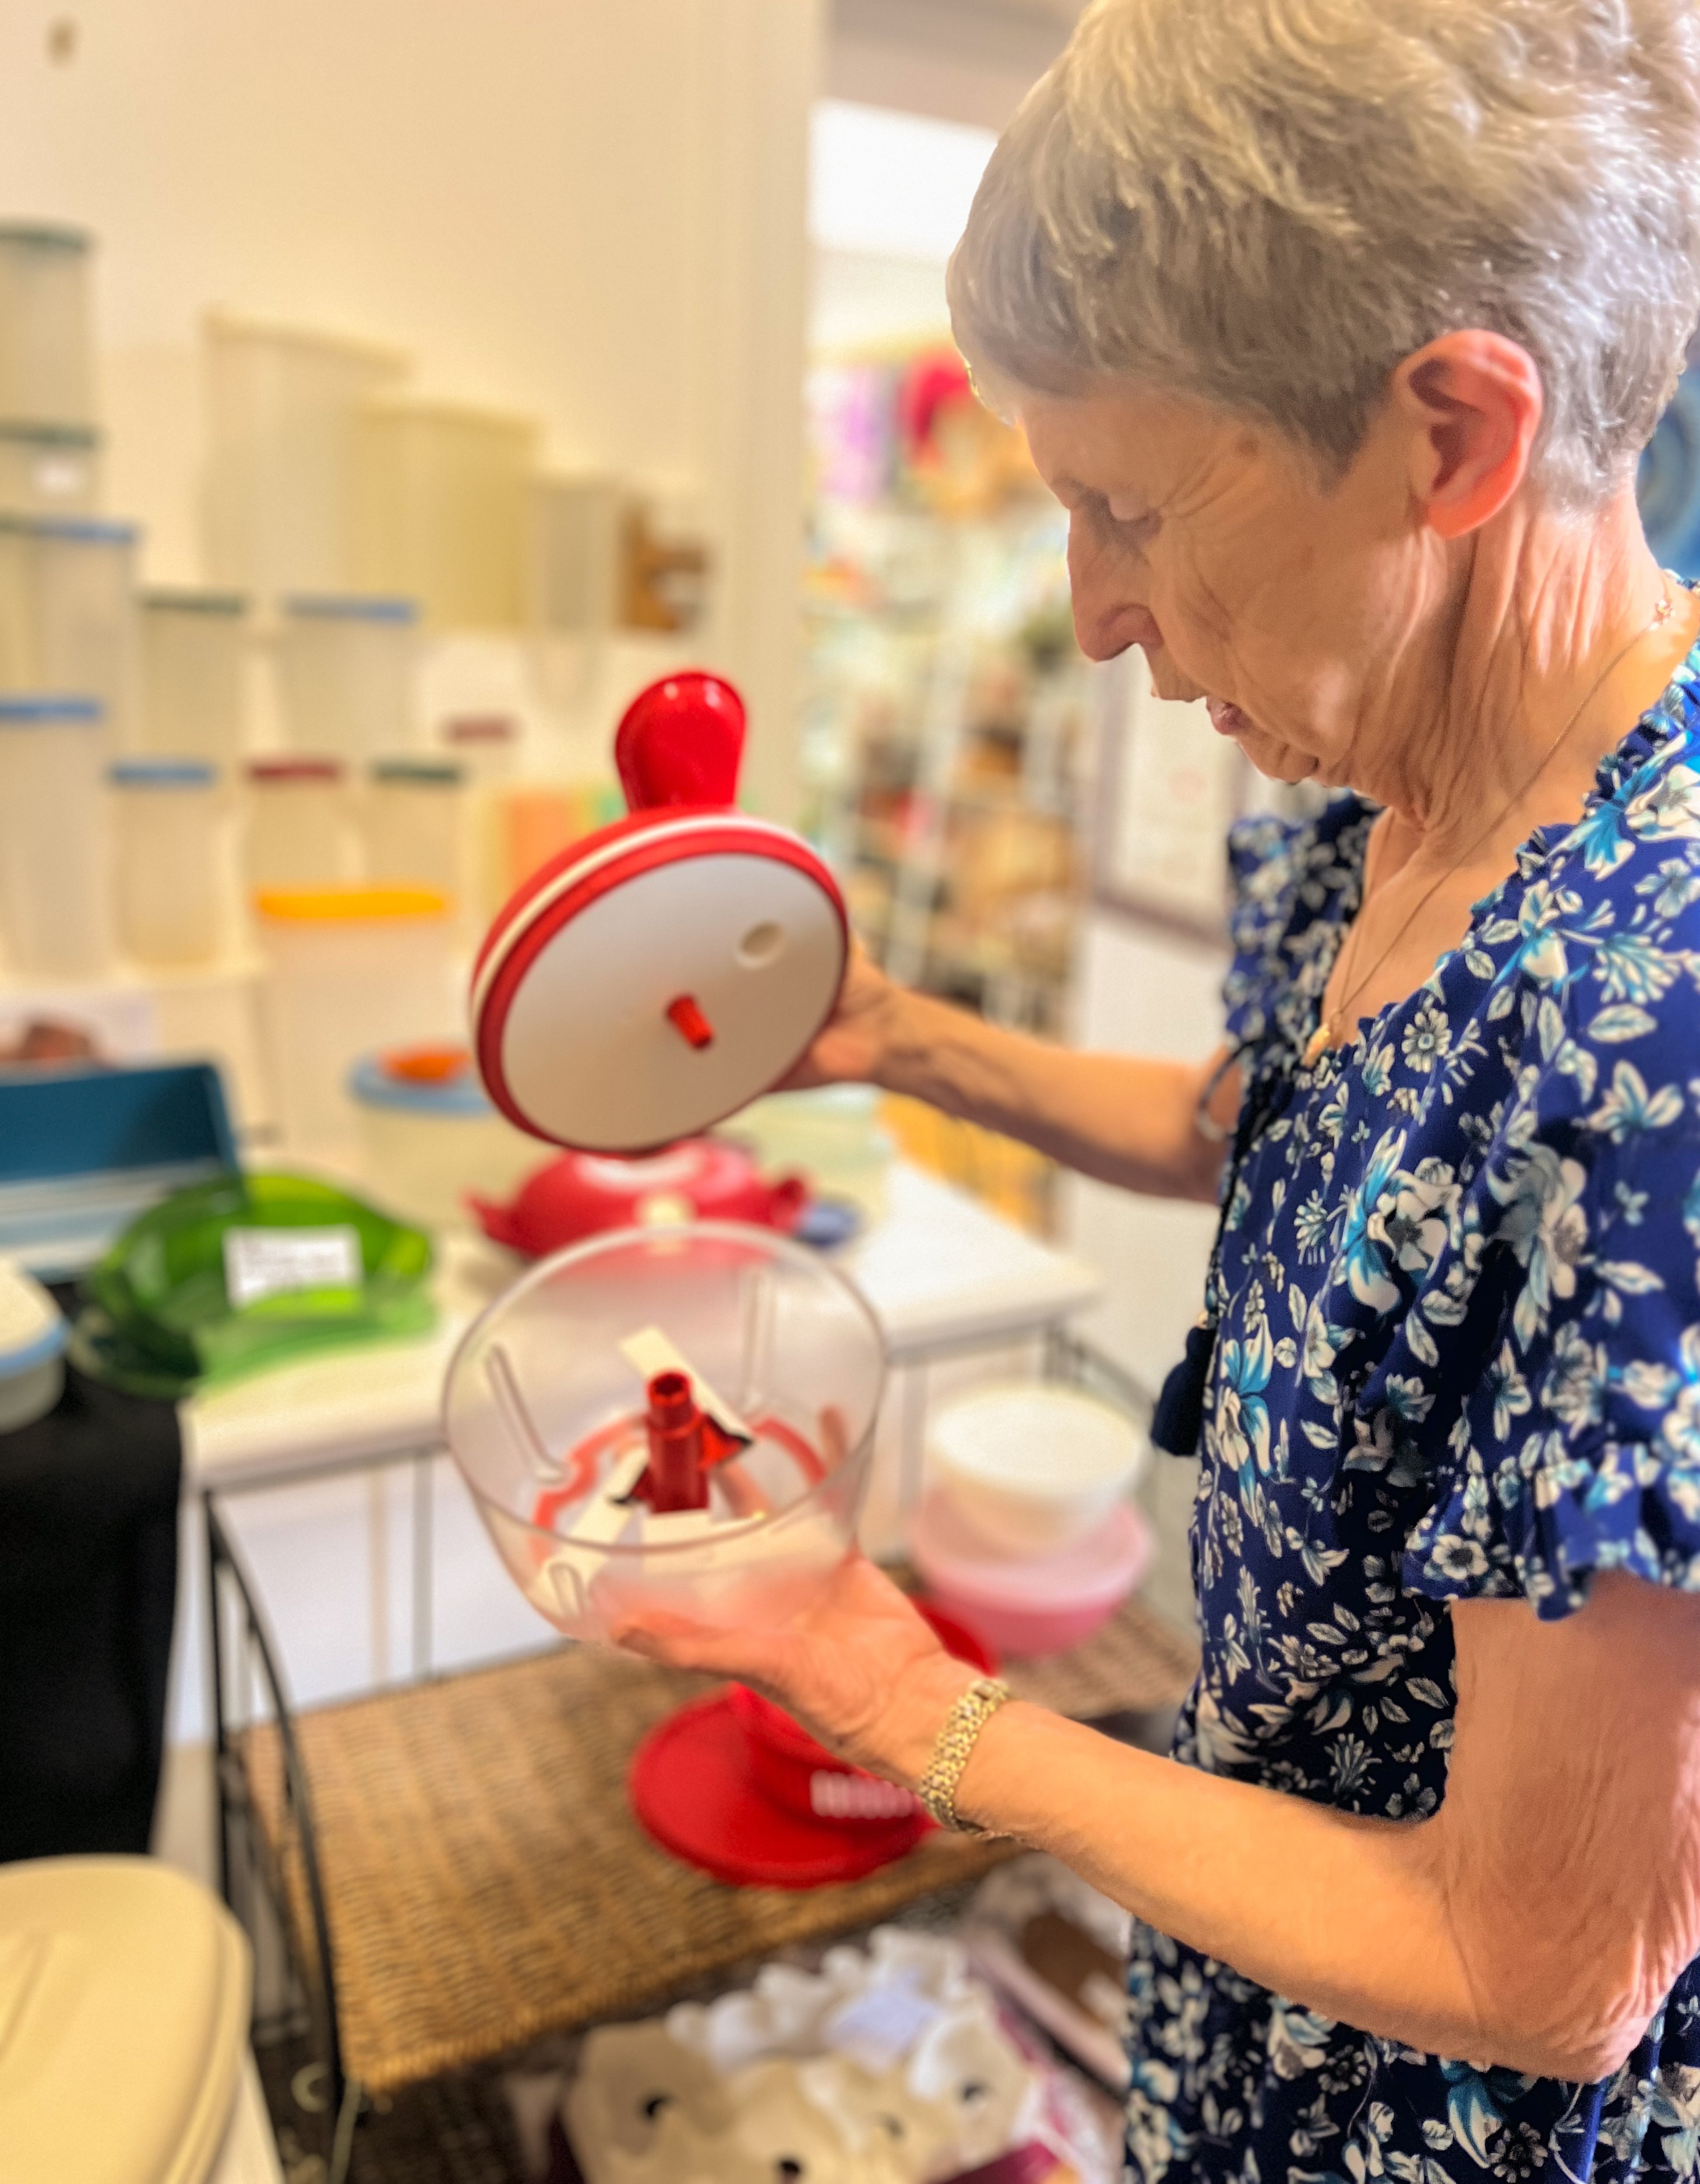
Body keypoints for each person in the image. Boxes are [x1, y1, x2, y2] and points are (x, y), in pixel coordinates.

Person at [623, 2, 1700, 2175]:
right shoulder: (1374, 803)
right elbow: (1280, 1146)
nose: (1094, 612)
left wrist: (892, 1685)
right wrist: (902, 1035)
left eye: (1127, 505)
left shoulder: (1657, 1029)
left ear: (1453, 436)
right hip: (1262, 1968)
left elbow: (1549, 1967)